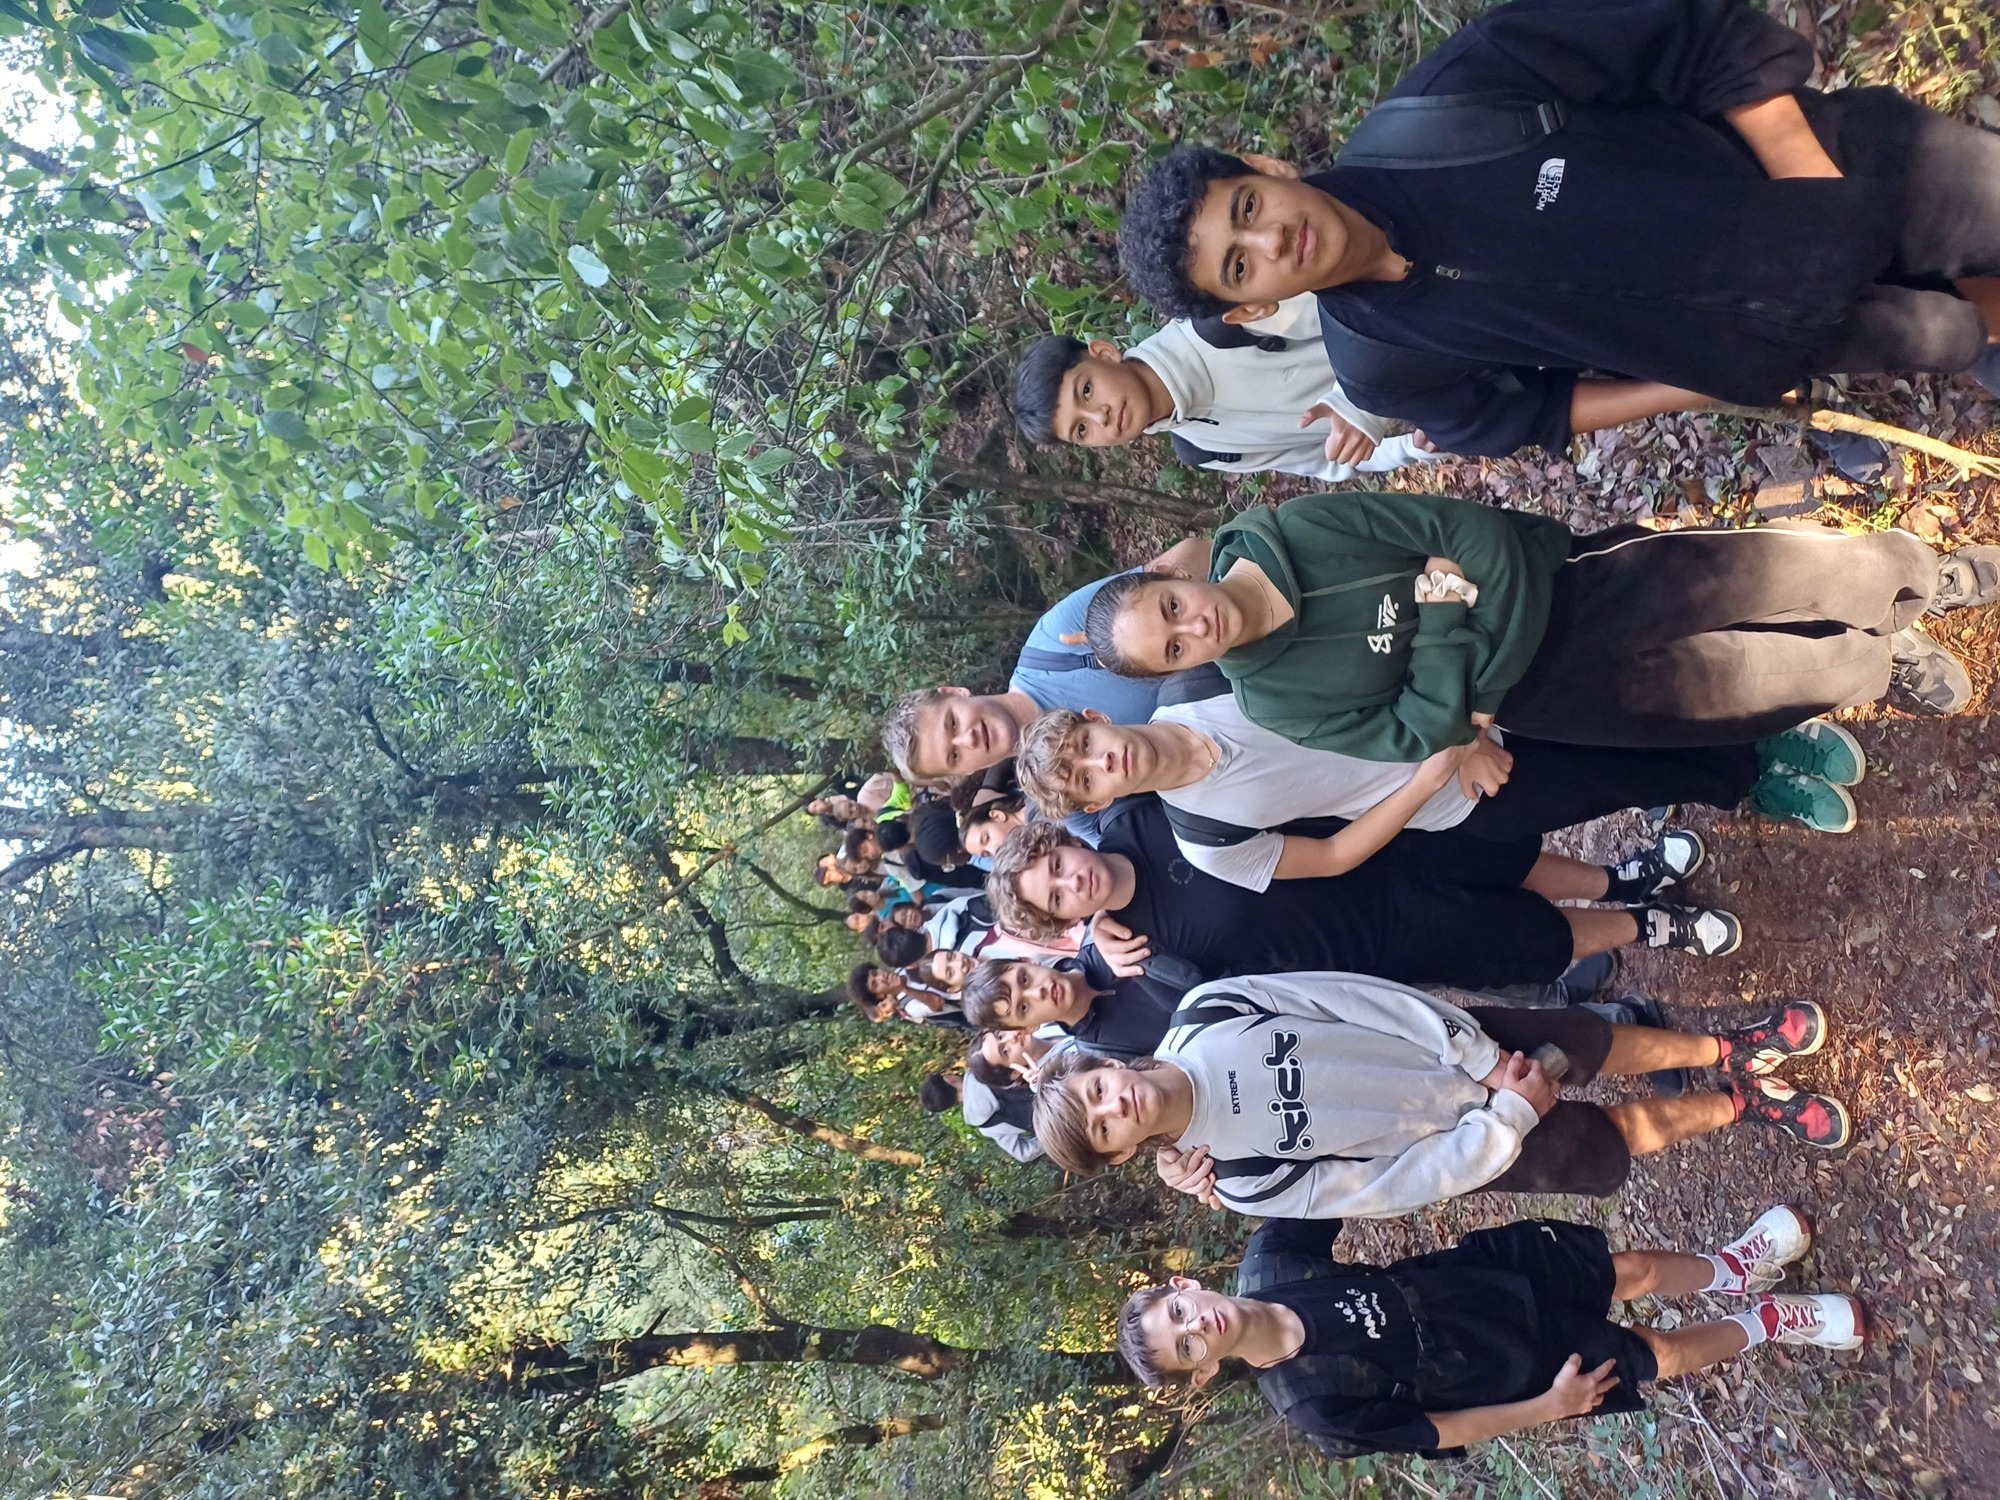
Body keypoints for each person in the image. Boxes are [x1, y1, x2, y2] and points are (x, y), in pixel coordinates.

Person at [1115, 0, 2000, 459]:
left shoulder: (1451, 103)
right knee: (1967, 335)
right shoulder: (1380, 362)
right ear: (1249, 309)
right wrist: (1694, 381)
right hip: (1800, 331)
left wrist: (1810, 186)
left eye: (1246, 209)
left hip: (1870, 171)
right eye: (1240, 267)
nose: (1271, 242)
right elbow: (1528, 415)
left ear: (1264, 168)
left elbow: (1685, 33)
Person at [1080, 493, 1996, 753]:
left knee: (1766, 573)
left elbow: (1466, 532)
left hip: (1564, 583)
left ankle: (1920, 579)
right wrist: (1444, 617)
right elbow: (1422, 735)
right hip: (1548, 694)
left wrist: (1456, 679)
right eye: (1174, 648)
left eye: (1171, 608)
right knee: (1744, 690)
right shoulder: (1275, 702)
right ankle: (1877, 667)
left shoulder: (1294, 531)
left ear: (1169, 576)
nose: (1195, 628)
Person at [1031, 972, 1849, 1219]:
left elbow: (1352, 998)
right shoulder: (1238, 1178)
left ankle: (1731, 1047)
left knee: (1595, 1042)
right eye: (1102, 1129)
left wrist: (1483, 1059)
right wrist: (1503, 1123)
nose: (1114, 1107)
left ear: (1104, 1065)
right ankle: (1749, 1106)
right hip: (1474, 1142)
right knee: (1610, 1136)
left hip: (1456, 1045)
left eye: (1096, 1090)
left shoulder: (1206, 1012)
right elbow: (1382, 1189)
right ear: (1121, 1153)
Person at [1117, 1209, 1862, 1460]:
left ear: (1184, 1289)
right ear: (1203, 1371)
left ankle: (1734, 1267)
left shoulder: (1273, 1256)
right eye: (1188, 1349)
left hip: (1474, 1279)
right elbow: (1439, 1430)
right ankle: (1771, 1321)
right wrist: (1550, 1407)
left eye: (1179, 1315)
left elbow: (1326, 1174)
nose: (1197, 1328)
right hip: (1500, 1365)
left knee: (1625, 1269)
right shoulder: (1314, 1408)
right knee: (1652, 1355)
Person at [1015, 704, 1868, 892]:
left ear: (1096, 720)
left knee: (1630, 713)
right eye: (1087, 778)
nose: (1103, 762)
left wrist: (1456, 725)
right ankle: (1753, 781)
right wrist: (1432, 775)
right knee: (1621, 777)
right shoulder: (1205, 837)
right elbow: (1335, 854)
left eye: (1086, 746)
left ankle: (1773, 731)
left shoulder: (1197, 676)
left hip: (1464, 703)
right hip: (1459, 798)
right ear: (1095, 802)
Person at [988, 802, 1748, 1000]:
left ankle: (1623, 879)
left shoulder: (1142, 813)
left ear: (1061, 842)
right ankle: (1649, 926)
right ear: (1063, 921)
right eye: (1056, 898)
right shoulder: (1143, 957)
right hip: (1378, 939)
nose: (1070, 881)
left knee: (1509, 863)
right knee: (1528, 939)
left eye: (1056, 864)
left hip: (1375, 841)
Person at [880, 537, 1217, 786]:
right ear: (966, 772)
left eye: (953, 723)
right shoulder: (1067, 792)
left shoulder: (1055, 642)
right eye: (955, 755)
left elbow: (1194, 556)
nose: (968, 739)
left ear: (955, 692)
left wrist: (1132, 636)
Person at [1013, 294, 1443, 481]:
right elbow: (1325, 461)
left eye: (1086, 392)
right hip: (1450, 409)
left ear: (1104, 352)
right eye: (1082, 430)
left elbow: (1360, 303)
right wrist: (1411, 448)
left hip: (1444, 327)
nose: (1100, 416)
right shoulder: (1200, 449)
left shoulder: (1217, 323)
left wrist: (1360, 406)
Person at [961, 950, 1204, 1061]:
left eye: (1024, 979)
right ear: (1027, 1029)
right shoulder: (1105, 1053)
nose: (1038, 992)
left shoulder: (1105, 939)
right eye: (1024, 1008)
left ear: (1027, 960)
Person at [921, 1068, 1043, 1163]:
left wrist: (1051, 1130)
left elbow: (1025, 1153)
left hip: (1052, 1118)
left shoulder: (985, 1124)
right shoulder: (987, 1068)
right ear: (948, 1079)